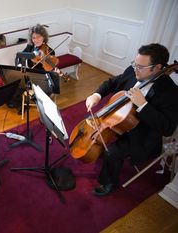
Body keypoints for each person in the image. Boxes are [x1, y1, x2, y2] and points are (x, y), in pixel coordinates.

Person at [85, 43, 178, 196]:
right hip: (120, 120)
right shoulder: (133, 71)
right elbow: (112, 82)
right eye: (135, 64)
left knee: (111, 153)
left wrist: (143, 104)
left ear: (157, 68)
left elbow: (167, 128)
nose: (135, 68)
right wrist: (96, 95)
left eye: (141, 67)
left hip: (143, 133)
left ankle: (110, 183)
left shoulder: (171, 92)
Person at [10, 24, 63, 114]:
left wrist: (54, 69)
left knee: (24, 87)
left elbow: (50, 68)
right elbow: (19, 56)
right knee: (15, 85)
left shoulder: (49, 51)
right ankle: (24, 103)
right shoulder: (30, 47)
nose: (36, 40)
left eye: (38, 37)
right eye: (34, 38)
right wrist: (19, 64)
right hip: (30, 75)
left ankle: (32, 101)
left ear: (44, 37)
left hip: (41, 78)